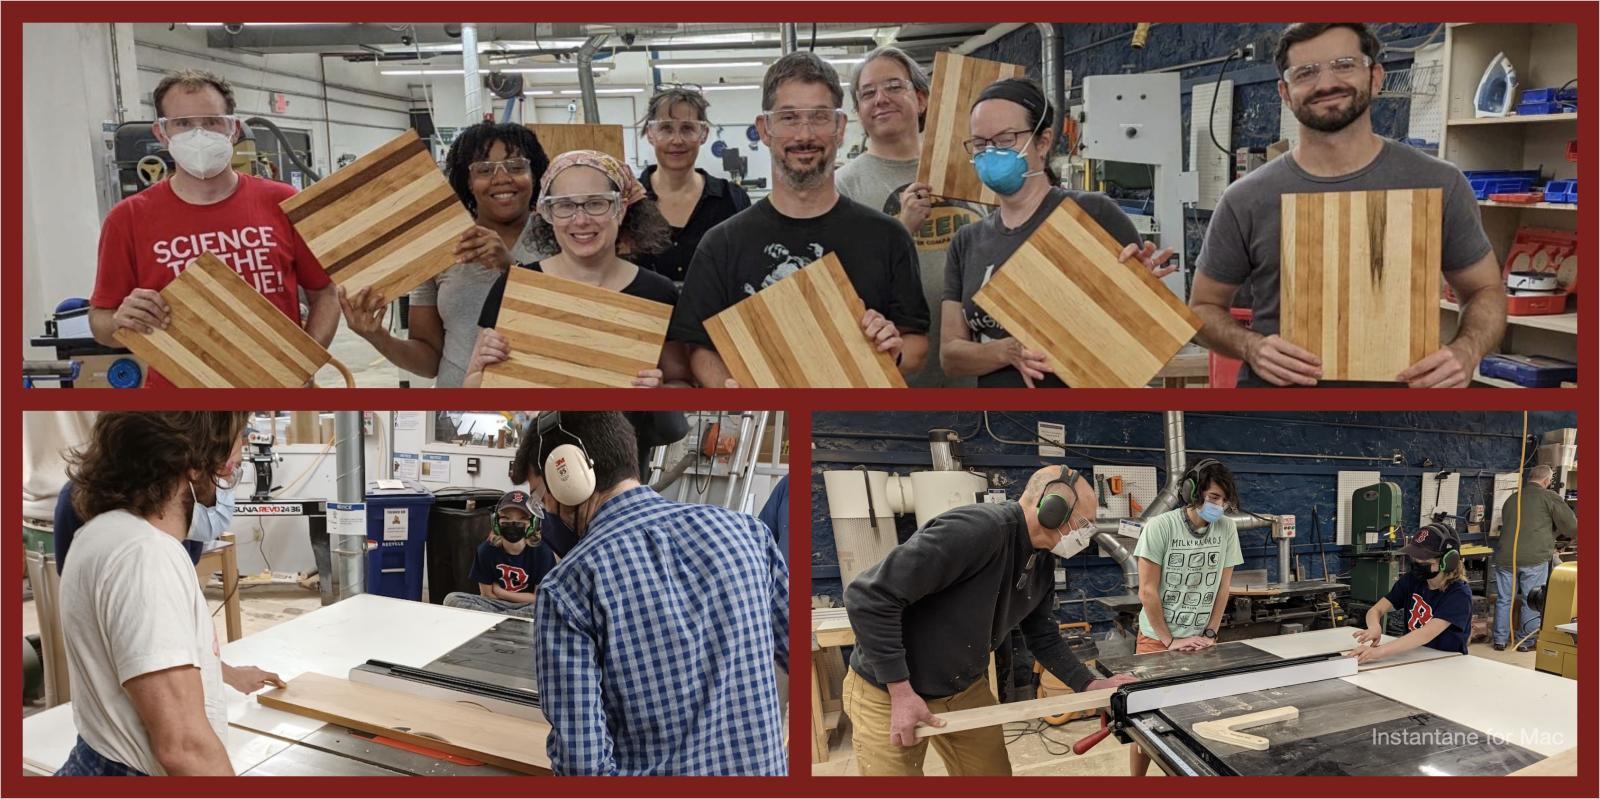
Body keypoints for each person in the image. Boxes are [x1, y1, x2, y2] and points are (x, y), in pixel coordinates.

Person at [1189, 22, 1506, 387]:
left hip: (1404, 410)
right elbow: (1202, 308)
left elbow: (1485, 290)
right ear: (1285, 92)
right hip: (1278, 413)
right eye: (1305, 72)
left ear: (1375, 77)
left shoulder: (1440, 183)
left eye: (1344, 64)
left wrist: (1467, 351)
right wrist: (1251, 347)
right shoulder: (1245, 198)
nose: (1326, 84)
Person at [522, 412, 788, 775]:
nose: (546, 512)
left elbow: (582, 767)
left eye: (542, 497)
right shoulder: (748, 533)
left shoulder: (570, 586)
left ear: (567, 477)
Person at [843, 466, 1136, 776]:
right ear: (1053, 510)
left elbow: (1043, 637)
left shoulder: (1042, 562)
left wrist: (1089, 684)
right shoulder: (977, 530)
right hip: (888, 690)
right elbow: (868, 597)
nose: (1084, 535)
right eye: (1082, 523)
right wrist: (900, 692)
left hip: (963, 687)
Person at [667, 52, 931, 387]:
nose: (804, 135)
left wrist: (891, 351)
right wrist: (729, 390)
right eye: (789, 118)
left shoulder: (888, 236)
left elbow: (917, 343)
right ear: (765, 129)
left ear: (839, 127)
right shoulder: (722, 243)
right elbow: (699, 348)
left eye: (819, 117)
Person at [55, 412, 284, 776]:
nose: (229, 479)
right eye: (230, 468)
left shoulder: (102, 532)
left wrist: (223, 673)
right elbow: (183, 746)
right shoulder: (147, 556)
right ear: (194, 464)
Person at [90, 70, 336, 389]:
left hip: (276, 391)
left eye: (211, 121)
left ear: (233, 129)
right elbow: (100, 324)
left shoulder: (284, 202)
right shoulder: (127, 218)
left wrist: (304, 363)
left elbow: (326, 293)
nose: (199, 134)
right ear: (162, 133)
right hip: (178, 403)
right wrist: (121, 319)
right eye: (183, 124)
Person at [941, 77, 1178, 387]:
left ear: (1043, 142)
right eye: (981, 144)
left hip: (1085, 417)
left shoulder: (1090, 215)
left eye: (1005, 139)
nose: (990, 153)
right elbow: (950, 355)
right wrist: (1007, 351)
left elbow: (1147, 338)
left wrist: (1137, 294)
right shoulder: (967, 241)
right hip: (999, 426)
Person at [339, 123, 550, 387]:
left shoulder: (562, 235)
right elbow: (428, 361)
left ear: (535, 173)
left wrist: (511, 269)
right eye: (483, 170)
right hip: (459, 410)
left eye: (516, 166)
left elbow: (570, 328)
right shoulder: (440, 245)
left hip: (544, 407)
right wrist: (379, 337)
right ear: (468, 182)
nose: (501, 178)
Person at [465, 150, 688, 388]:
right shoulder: (514, 289)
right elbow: (472, 391)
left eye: (595, 204)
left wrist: (662, 393)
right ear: (548, 214)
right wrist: (482, 368)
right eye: (564, 205)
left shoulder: (658, 293)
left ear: (620, 209)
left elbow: (682, 384)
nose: (580, 220)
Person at [837, 48, 984, 388]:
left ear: (920, 100)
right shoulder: (844, 186)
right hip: (895, 368)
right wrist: (900, 230)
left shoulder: (966, 170)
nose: (881, 99)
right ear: (859, 110)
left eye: (893, 86)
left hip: (975, 364)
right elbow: (843, 287)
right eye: (868, 93)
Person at [1129, 458, 1243, 775]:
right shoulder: (1159, 527)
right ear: (1193, 492)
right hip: (1156, 639)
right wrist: (1170, 640)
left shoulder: (1227, 529)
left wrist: (1210, 633)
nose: (1220, 507)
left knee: (1191, 718)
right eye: (1214, 498)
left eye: (1224, 500)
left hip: (1200, 642)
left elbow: (1224, 588)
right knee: (1145, 724)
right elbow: (1147, 592)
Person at [54, 424, 246, 574]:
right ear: (194, 469)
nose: (227, 482)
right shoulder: (144, 548)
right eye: (229, 468)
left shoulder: (184, 510)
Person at [633, 86, 751, 283]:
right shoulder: (630, 201)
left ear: (703, 133)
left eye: (688, 129)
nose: (677, 140)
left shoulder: (732, 199)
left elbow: (745, 268)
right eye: (666, 128)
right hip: (645, 313)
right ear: (650, 134)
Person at [1351, 524, 1472, 662]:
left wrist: (1378, 652)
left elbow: (1425, 634)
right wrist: (1374, 627)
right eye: (1415, 559)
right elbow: (1377, 609)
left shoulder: (1458, 594)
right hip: (1413, 656)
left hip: (1446, 662)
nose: (1417, 564)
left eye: (1424, 561)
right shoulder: (1413, 580)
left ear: (1448, 561)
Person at [1493, 464, 1576, 651]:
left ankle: (1499, 640)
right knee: (1532, 599)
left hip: (1506, 557)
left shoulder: (1512, 498)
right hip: (1534, 557)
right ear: (1547, 481)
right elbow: (1572, 527)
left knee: (1504, 599)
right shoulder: (1549, 497)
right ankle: (1526, 641)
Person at [441, 489, 556, 619]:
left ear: (533, 524)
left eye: (521, 520)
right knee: (451, 599)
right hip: (494, 604)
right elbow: (486, 594)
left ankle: (495, 621)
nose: (513, 524)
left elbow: (538, 599)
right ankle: (509, 621)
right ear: (496, 523)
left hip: (526, 606)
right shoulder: (486, 550)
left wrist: (501, 593)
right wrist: (500, 601)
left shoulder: (543, 553)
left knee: (547, 608)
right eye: (506, 519)